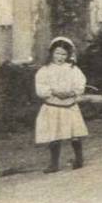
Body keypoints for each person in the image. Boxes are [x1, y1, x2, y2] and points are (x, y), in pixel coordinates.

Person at [35, 37, 89, 173]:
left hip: (69, 105)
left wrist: (71, 92)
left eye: (64, 54)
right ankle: (54, 164)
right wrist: (53, 92)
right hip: (53, 106)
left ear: (69, 55)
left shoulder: (72, 69)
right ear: (52, 53)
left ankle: (79, 159)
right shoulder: (45, 70)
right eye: (57, 53)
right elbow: (41, 87)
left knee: (74, 132)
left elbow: (80, 84)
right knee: (54, 134)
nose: (60, 57)